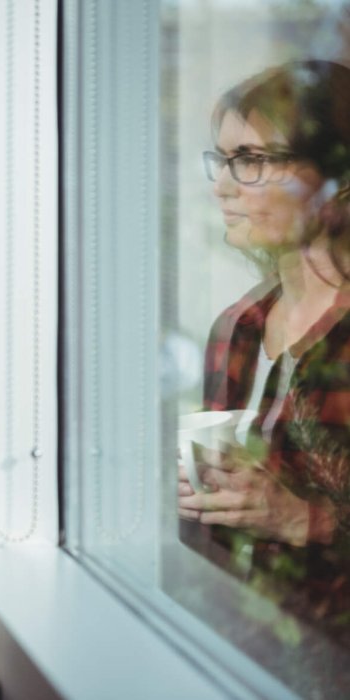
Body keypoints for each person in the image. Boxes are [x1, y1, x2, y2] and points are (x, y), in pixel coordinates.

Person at [178, 60, 350, 642]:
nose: (223, 185)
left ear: (332, 176)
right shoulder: (237, 327)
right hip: (236, 641)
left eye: (251, 161)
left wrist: (304, 518)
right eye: (223, 161)